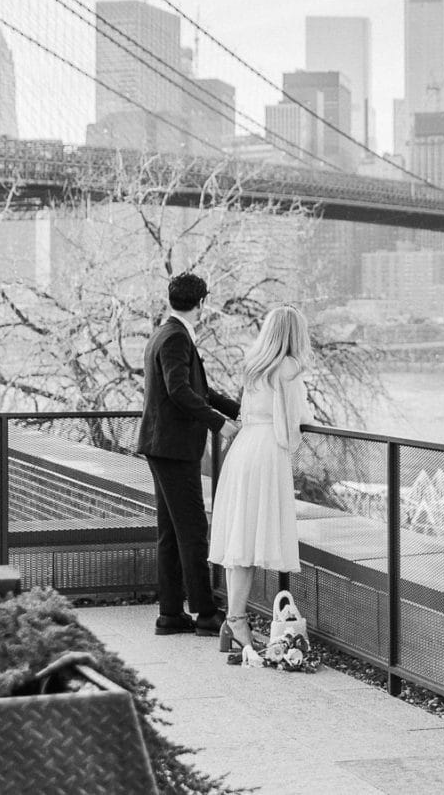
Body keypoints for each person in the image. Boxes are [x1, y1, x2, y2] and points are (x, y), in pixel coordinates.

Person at [135, 273, 241, 637]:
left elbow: (198, 388)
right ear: (201, 304)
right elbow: (179, 389)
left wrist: (235, 409)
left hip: (161, 445)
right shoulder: (177, 338)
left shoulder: (163, 334)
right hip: (174, 448)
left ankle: (170, 614)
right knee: (193, 529)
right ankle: (206, 613)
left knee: (170, 530)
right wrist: (219, 423)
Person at [208, 305, 314, 657]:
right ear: (294, 336)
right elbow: (296, 422)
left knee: (241, 538)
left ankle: (233, 620)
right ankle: (236, 620)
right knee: (251, 540)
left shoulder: (254, 367)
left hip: (243, 450)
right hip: (267, 453)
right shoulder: (289, 369)